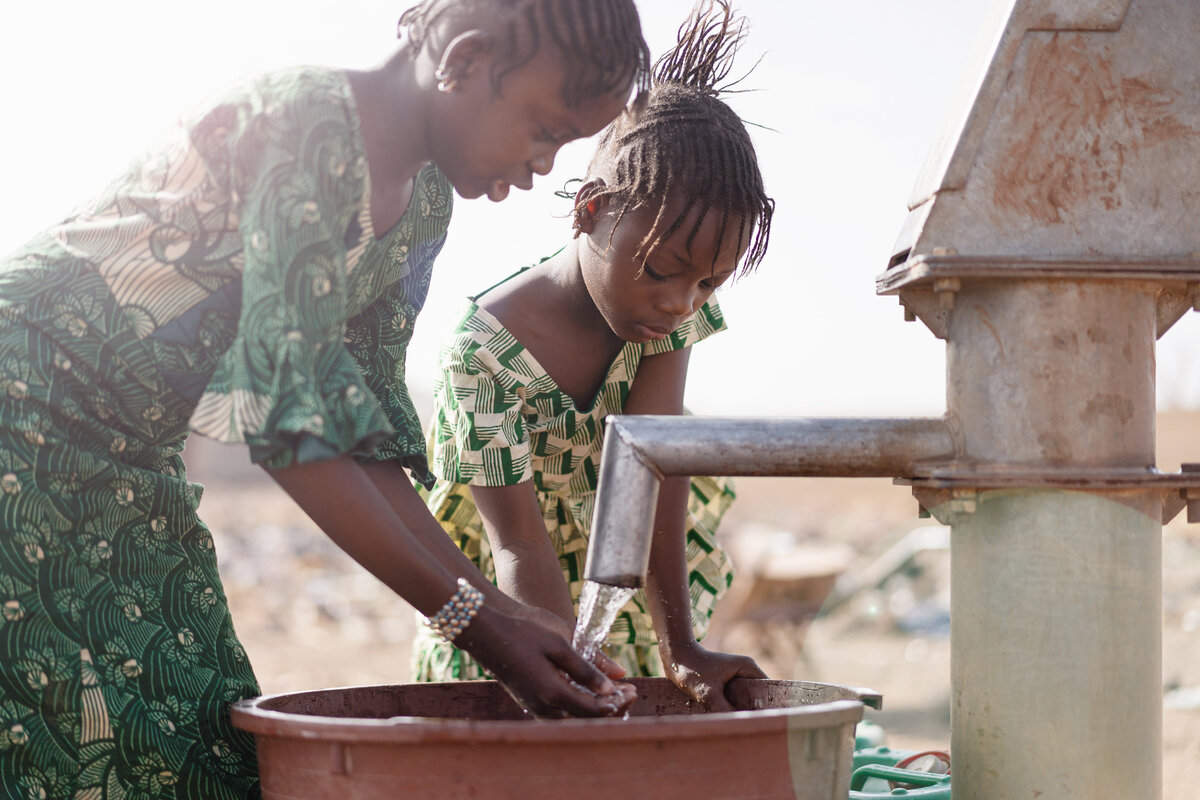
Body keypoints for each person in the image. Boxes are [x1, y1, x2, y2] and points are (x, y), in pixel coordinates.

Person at [0, 2, 650, 797]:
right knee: (57, 728)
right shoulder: (304, 123)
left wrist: (507, 618)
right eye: (545, 131)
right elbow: (288, 429)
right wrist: (476, 626)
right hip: (19, 414)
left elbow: (357, 437)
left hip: (129, 457)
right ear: (467, 61)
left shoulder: (421, 207)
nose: (545, 166)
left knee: (191, 726)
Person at [412, 0, 774, 710]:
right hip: (515, 634)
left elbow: (656, 471)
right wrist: (564, 673)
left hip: (623, 623)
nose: (682, 302)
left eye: (708, 283)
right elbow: (517, 544)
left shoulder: (662, 320)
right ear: (591, 211)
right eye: (664, 269)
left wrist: (680, 646)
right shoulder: (481, 357)